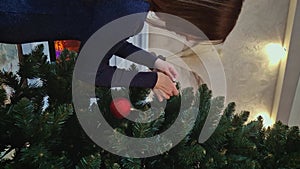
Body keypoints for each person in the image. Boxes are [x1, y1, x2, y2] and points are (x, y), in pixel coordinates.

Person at [0, 0, 244, 101]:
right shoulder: (131, 13)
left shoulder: (132, 6)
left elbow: (102, 37)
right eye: (197, 32)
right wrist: (151, 80)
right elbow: (89, 69)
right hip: (13, 16)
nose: (188, 37)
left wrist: (153, 62)